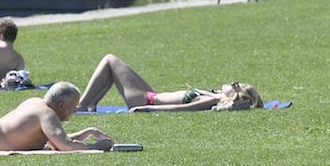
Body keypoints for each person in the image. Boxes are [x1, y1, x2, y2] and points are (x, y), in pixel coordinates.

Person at [76, 53, 262, 112]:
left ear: (235, 94)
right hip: (152, 95)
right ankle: (90, 104)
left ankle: (84, 105)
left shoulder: (213, 101)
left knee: (110, 60)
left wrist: (146, 109)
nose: (231, 82)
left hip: (144, 100)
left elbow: (179, 110)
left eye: (235, 85)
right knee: (113, 68)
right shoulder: (215, 97)